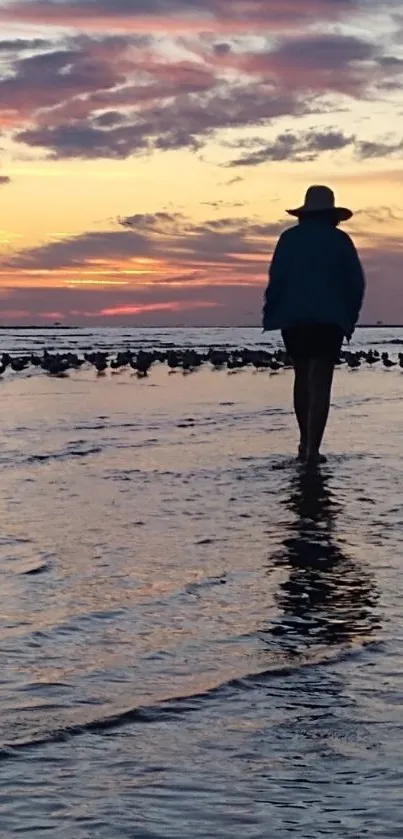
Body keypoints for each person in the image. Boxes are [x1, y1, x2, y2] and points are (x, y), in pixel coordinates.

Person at [262, 185, 366, 465]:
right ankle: (313, 450)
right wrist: (350, 318)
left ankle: (304, 442)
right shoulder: (341, 240)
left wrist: (271, 312)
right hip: (330, 320)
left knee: (301, 377)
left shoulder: (288, 239)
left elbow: (277, 280)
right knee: (320, 381)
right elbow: (355, 284)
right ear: (332, 214)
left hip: (294, 318)